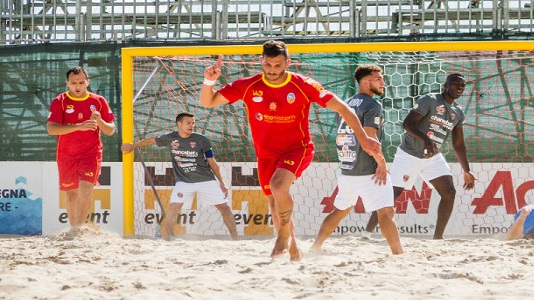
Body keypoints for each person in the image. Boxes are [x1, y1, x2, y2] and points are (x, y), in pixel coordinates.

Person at [199, 40, 381, 261]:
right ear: (261, 62)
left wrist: (363, 139)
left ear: (288, 63)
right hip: (266, 153)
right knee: (274, 201)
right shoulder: (247, 85)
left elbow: (342, 107)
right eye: (268, 65)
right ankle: (293, 246)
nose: (272, 70)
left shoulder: (302, 84)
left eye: (278, 65)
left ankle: (282, 237)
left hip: (297, 149)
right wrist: (209, 81)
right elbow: (208, 102)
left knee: (278, 186)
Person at [364, 73, 476, 240]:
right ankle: (367, 233)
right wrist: (426, 140)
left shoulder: (457, 113)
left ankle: (438, 238)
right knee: (392, 195)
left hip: (433, 157)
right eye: (455, 84)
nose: (459, 88)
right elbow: (407, 124)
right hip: (409, 154)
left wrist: (466, 170)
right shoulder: (430, 100)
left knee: (449, 192)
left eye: (462, 85)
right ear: (446, 85)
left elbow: (458, 144)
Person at [310, 65, 403, 255]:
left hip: (347, 169)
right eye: (378, 79)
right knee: (386, 212)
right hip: (368, 169)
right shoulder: (372, 105)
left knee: (340, 211)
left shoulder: (346, 103)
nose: (383, 82)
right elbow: (371, 138)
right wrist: (381, 163)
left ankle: (315, 247)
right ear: (365, 82)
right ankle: (399, 255)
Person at [121, 112, 239, 241]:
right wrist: (133, 146)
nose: (191, 125)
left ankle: (236, 239)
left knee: (224, 207)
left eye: (193, 123)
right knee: (173, 208)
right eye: (188, 123)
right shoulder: (170, 138)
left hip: (206, 179)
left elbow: (212, 161)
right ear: (179, 124)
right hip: (184, 182)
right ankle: (165, 240)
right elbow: (152, 140)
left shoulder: (202, 140)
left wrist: (222, 183)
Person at [47, 66, 116, 237]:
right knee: (71, 194)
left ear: (88, 82)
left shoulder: (98, 101)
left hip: (91, 153)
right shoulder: (60, 101)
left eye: (81, 82)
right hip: (66, 154)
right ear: (67, 83)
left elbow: (110, 130)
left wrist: (99, 121)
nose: (77, 86)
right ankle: (73, 228)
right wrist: (79, 126)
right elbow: (51, 129)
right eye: (73, 83)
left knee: (86, 188)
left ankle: (78, 228)